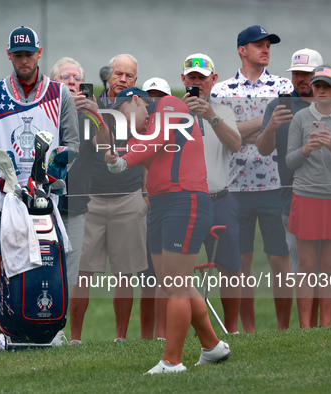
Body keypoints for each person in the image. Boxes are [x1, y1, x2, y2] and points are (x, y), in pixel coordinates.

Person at [105, 88, 231, 374]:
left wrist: (123, 159)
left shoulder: (169, 104)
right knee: (177, 283)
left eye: (123, 112)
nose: (123, 121)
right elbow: (138, 150)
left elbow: (153, 141)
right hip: (161, 204)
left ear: (136, 100)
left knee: (175, 285)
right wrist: (116, 159)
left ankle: (172, 361)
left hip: (184, 200)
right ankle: (212, 347)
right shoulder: (145, 130)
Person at [0, 26, 78, 353]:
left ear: (39, 53)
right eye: (17, 55)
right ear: (9, 55)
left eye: (28, 54)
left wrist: (55, 171)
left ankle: (47, 329)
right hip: (7, 197)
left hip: (46, 199)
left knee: (46, 264)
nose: (23, 60)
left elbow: (72, 144)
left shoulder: (60, 94)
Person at [257, 49, 331, 325]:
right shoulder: (281, 106)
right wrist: (271, 127)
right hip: (295, 198)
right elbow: (267, 150)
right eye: (296, 74)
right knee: (305, 267)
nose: (302, 80)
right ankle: (310, 327)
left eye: (307, 74)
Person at [211, 25, 294, 332]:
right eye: (258, 45)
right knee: (241, 262)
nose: (266, 49)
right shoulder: (221, 90)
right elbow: (223, 137)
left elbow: (285, 127)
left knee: (278, 261)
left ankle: (284, 328)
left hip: (276, 185)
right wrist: (265, 121)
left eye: (268, 44)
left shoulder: (283, 85)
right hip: (235, 187)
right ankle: (247, 331)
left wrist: (239, 129)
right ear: (242, 50)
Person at [70, 54, 148, 344]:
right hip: (92, 197)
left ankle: (120, 337)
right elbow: (100, 145)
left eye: (129, 76)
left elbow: (151, 148)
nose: (123, 80)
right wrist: (93, 111)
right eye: (118, 74)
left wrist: (146, 193)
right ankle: (75, 338)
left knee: (125, 273)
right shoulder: (93, 104)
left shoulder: (140, 107)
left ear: (135, 80)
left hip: (128, 196)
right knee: (83, 271)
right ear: (108, 76)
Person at [286, 65, 331, 328]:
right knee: (306, 267)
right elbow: (290, 162)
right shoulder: (301, 118)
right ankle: (306, 327)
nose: (321, 91)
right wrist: (307, 148)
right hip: (306, 197)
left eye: (327, 87)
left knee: (329, 267)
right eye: (317, 86)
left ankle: (325, 326)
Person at [181, 53, 243, 333]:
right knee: (181, 269)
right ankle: (191, 326)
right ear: (183, 79)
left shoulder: (224, 111)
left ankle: (231, 328)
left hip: (220, 198)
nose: (197, 83)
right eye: (191, 78)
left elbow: (235, 144)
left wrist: (211, 116)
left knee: (230, 268)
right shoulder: (173, 111)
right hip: (184, 202)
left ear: (213, 80)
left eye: (201, 79)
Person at [48, 57, 108, 286]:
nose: (72, 81)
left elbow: (105, 147)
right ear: (53, 83)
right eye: (66, 77)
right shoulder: (44, 112)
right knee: (41, 267)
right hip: (43, 204)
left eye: (77, 78)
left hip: (75, 205)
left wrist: (97, 114)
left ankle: (59, 321)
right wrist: (67, 107)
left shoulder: (89, 116)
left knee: (67, 276)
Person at [140, 76, 171, 340]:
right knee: (151, 276)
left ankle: (168, 331)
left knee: (171, 275)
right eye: (149, 96)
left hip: (171, 204)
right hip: (150, 205)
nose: (154, 101)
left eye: (159, 97)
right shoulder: (141, 125)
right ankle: (153, 335)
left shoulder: (174, 127)